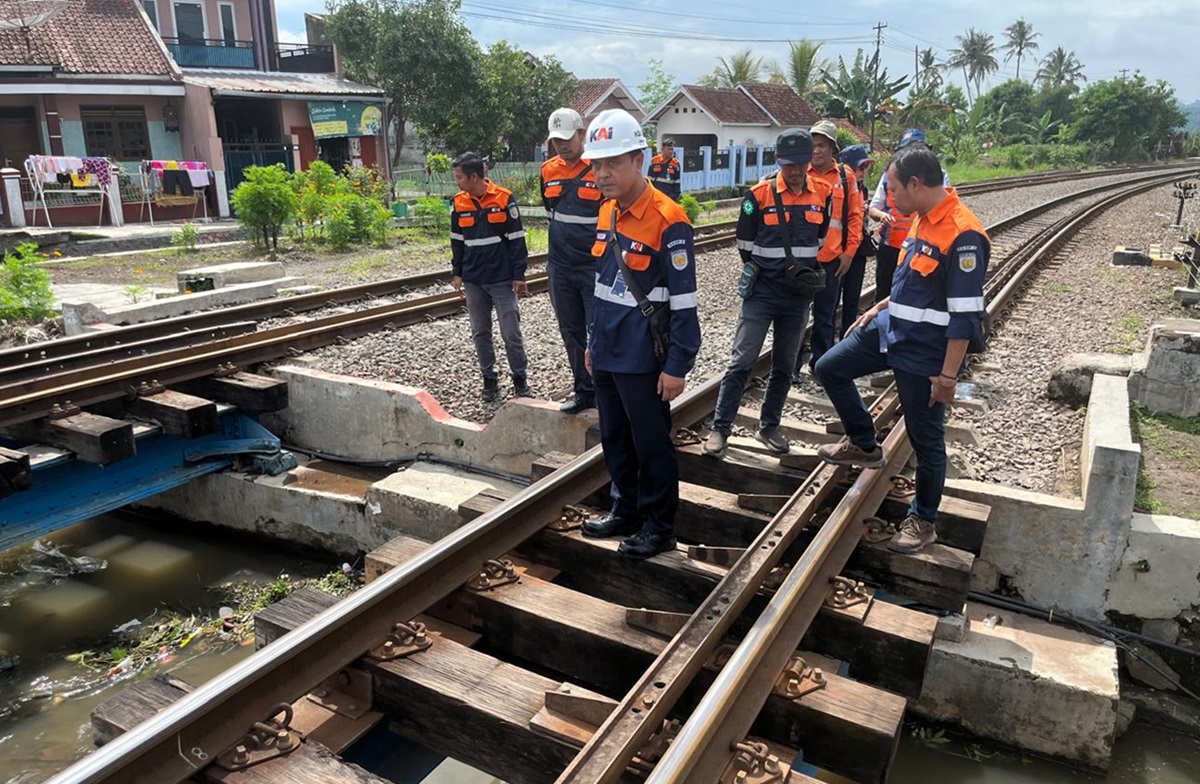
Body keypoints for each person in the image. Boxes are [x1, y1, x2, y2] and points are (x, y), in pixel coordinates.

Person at [813, 146, 989, 554]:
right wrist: (879, 306)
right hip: (888, 330)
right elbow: (911, 281)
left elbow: (964, 318)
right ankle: (863, 442)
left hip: (925, 351)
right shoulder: (922, 219)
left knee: (926, 440)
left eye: (893, 189)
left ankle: (923, 519)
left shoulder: (963, 234)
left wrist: (947, 378)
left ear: (916, 184)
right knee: (829, 367)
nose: (889, 198)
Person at [580, 109, 701, 559]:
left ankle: (658, 526)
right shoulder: (607, 211)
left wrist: (677, 365)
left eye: (612, 163)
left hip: (643, 355)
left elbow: (685, 301)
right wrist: (592, 343)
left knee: (651, 444)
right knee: (614, 437)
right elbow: (602, 285)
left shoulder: (669, 220)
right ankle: (624, 509)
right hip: (609, 349)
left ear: (638, 160)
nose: (602, 173)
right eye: (596, 164)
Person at [703, 128, 833, 459]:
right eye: (788, 164)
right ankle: (720, 430)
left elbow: (819, 241)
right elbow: (744, 246)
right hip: (762, 293)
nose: (794, 171)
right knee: (741, 362)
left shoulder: (823, 194)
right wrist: (772, 270)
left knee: (785, 365)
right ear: (778, 161)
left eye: (800, 164)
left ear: (808, 163)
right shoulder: (757, 196)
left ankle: (769, 426)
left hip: (798, 297)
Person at [449, 152, 531, 402]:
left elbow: (517, 240)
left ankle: (520, 378)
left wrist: (519, 274)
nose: (458, 182)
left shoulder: (504, 198)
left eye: (460, 177)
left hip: (502, 279)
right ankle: (489, 380)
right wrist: (457, 272)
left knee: (510, 331)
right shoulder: (458, 202)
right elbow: (457, 240)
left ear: (474, 177)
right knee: (480, 332)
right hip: (474, 280)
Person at [541, 107, 603, 414]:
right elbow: (550, 213)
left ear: (582, 134)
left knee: (601, 331)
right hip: (560, 268)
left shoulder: (600, 168)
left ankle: (607, 392)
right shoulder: (548, 171)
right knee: (571, 331)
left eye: (567, 139)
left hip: (593, 267)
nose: (562, 146)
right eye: (556, 141)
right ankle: (584, 390)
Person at [798, 120, 864, 376]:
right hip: (802, 259)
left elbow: (855, 216)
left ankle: (820, 365)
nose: (816, 150)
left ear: (832, 148)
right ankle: (791, 366)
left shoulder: (846, 178)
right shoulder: (799, 172)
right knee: (797, 315)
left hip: (832, 259)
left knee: (825, 316)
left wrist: (849, 252)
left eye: (822, 145)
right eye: (813, 145)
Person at [868, 128, 950, 303]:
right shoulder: (887, 176)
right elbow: (874, 207)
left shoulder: (939, 177)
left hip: (923, 247)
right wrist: (882, 215)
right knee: (886, 291)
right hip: (892, 245)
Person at [837, 143, 877, 336]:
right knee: (832, 299)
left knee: (852, 299)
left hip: (857, 251)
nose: (864, 171)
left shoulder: (863, 189)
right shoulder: (838, 188)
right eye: (860, 167)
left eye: (866, 167)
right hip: (839, 252)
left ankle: (846, 335)